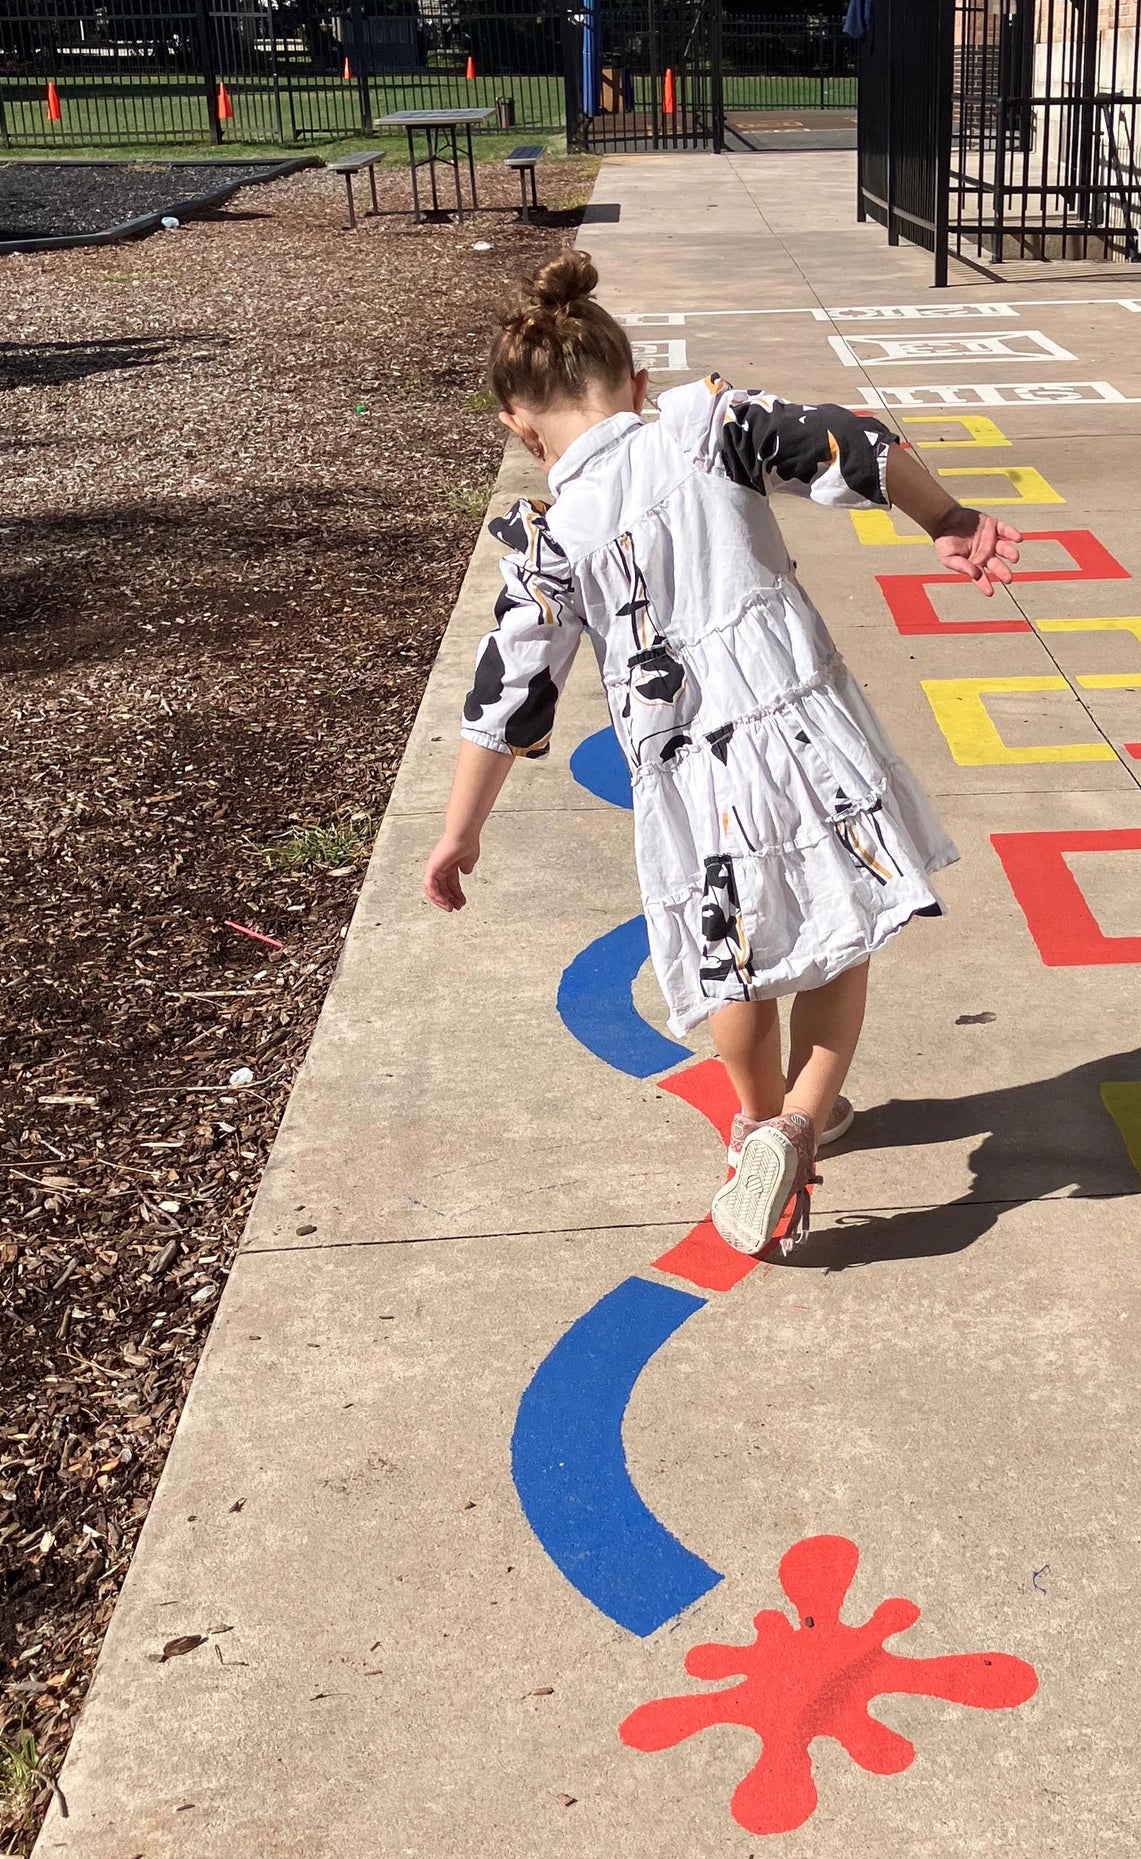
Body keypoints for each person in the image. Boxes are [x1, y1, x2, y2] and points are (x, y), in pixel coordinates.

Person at [423, 253, 1021, 1258]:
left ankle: (756, 1124)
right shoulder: (702, 429)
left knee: (733, 962)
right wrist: (949, 520)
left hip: (687, 773)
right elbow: (850, 442)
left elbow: (507, 695)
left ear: (518, 427)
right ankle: (805, 1115)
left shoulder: (552, 537)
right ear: (638, 387)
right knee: (841, 929)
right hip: (805, 735)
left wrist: (457, 832)